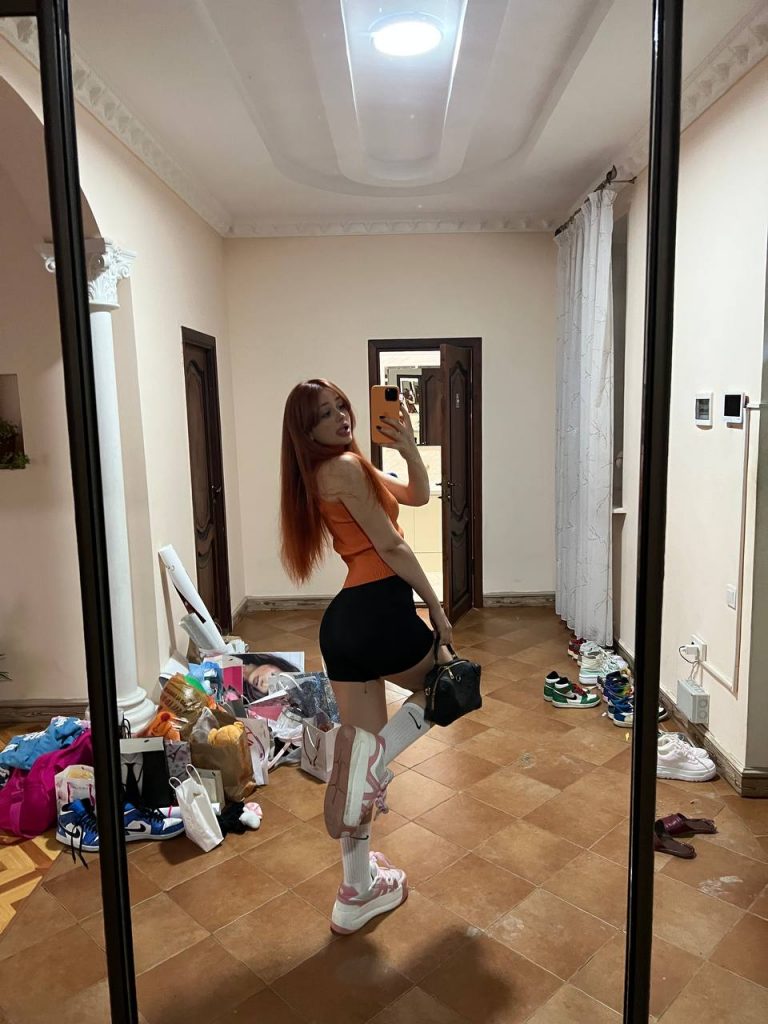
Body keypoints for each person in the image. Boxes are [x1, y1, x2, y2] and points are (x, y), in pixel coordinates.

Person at [280, 378, 452, 934]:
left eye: (341, 406)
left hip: (345, 625)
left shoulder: (332, 468)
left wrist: (409, 448)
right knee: (449, 687)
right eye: (323, 414)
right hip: (379, 610)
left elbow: (418, 496)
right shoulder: (345, 468)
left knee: (355, 765)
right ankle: (374, 763)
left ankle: (356, 891)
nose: (340, 416)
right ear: (306, 430)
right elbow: (392, 545)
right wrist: (436, 608)